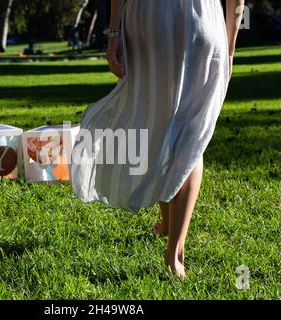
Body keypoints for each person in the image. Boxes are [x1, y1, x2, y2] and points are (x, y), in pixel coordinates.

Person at [71, 0, 245, 279]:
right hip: (199, 20)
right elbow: (237, 3)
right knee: (191, 134)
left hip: (147, 22)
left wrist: (113, 32)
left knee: (158, 124)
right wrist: (231, 48)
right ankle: (175, 251)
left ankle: (169, 225)